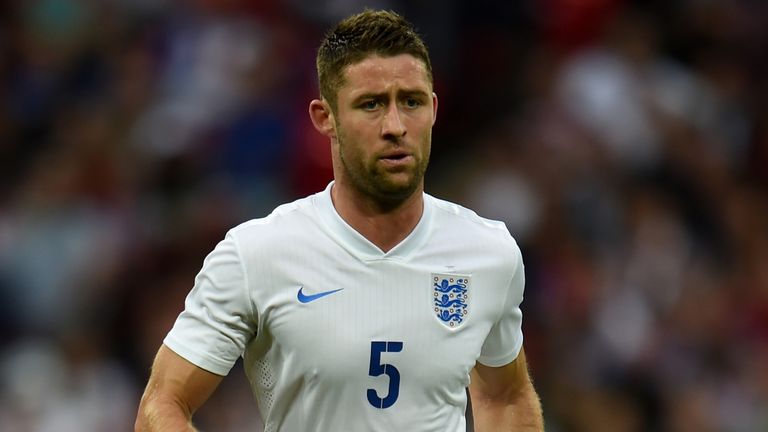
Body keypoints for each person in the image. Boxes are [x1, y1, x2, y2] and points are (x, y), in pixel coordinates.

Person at [135, 9, 544, 432]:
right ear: (324, 117)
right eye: (371, 104)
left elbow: (504, 396)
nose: (395, 126)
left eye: (412, 101)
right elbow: (163, 403)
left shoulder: (487, 252)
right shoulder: (256, 254)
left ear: (434, 109)